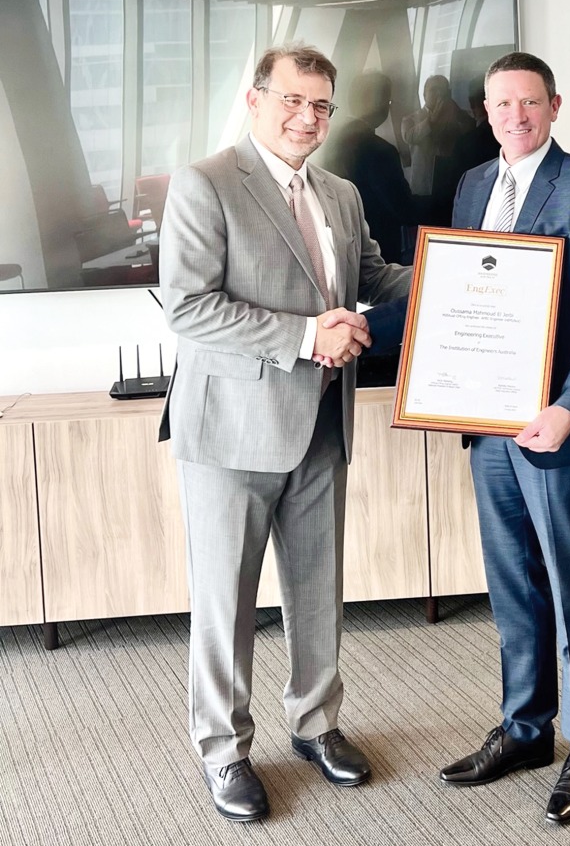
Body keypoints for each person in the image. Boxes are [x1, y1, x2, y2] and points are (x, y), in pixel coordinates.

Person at [157, 43, 411, 823]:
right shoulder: (205, 184)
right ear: (255, 98)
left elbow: (370, 275)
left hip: (321, 428)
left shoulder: (339, 192)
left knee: (316, 594)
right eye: (293, 101)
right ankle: (224, 751)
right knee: (225, 603)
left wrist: (471, 271)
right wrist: (307, 337)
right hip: (231, 433)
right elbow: (189, 307)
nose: (308, 117)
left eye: (322, 106)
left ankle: (315, 724)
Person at [438, 51, 570, 826]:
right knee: (513, 584)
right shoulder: (474, 185)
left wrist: (568, 410)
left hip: (557, 429)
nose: (514, 116)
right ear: (485, 111)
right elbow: (458, 294)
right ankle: (525, 730)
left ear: (554, 105)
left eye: (528, 102)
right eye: (500, 104)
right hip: (489, 428)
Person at [320, 71, 419, 266]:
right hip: (376, 252)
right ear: (379, 103)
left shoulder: (324, 141)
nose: (387, 108)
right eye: (387, 102)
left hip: (334, 247)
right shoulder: (381, 151)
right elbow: (402, 207)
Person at [399, 73, 473, 198]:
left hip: (452, 184)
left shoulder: (459, 116)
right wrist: (432, 120)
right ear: (424, 94)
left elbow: (472, 131)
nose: (438, 94)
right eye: (433, 90)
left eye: (442, 90)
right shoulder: (411, 119)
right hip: (424, 186)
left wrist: (457, 112)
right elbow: (409, 137)